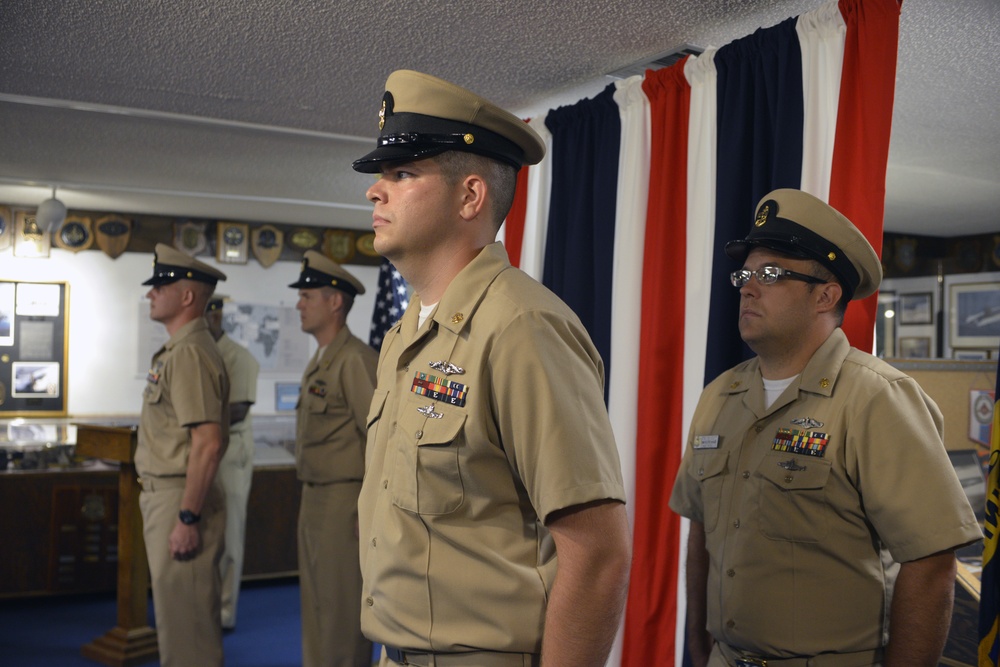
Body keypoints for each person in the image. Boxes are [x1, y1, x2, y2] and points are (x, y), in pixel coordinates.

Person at [353, 69, 632, 667]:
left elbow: (597, 553)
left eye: (401, 174)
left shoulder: (521, 328)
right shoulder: (406, 335)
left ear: (470, 196)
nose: (375, 192)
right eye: (380, 177)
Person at [669, 189, 983, 667]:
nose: (747, 288)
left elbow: (931, 562)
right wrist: (697, 645)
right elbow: (701, 532)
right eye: (744, 275)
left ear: (826, 295)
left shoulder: (876, 399)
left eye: (769, 274)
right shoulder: (720, 396)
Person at [136, 243, 230, 667]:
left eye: (160, 285)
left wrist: (187, 517)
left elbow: (208, 442)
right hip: (168, 495)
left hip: (180, 498)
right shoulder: (180, 350)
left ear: (188, 297)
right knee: (176, 622)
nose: (150, 293)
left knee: (188, 630)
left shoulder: (189, 352)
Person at [289, 250, 376, 667]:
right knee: (317, 609)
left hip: (346, 504)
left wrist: (370, 507)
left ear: (335, 302)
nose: (299, 303)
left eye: (308, 295)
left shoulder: (355, 360)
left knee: (341, 613)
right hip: (315, 498)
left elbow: (381, 440)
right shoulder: (322, 359)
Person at [205, 294, 260, 631]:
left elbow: (238, 409)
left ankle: (225, 611)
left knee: (230, 535)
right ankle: (207, 602)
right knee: (207, 532)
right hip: (205, 449)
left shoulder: (239, 358)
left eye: (212, 315)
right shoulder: (199, 354)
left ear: (217, 318)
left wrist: (197, 417)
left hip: (231, 452)